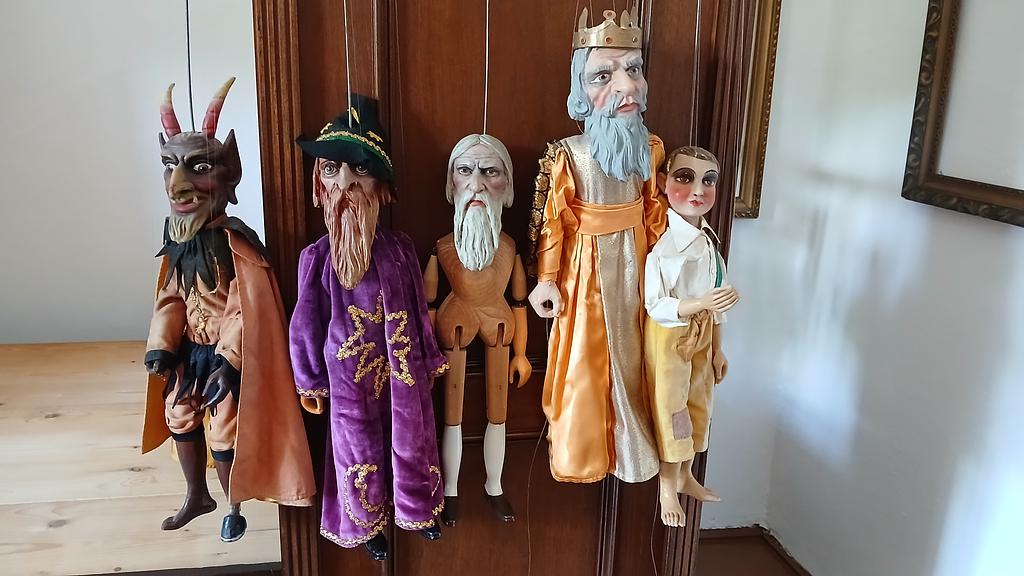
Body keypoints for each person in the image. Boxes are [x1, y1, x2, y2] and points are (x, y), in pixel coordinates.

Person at [143, 78, 315, 543]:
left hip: (228, 359)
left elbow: (245, 308)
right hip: (191, 354)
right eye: (170, 166)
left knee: (224, 427)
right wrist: (161, 348)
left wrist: (228, 360)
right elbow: (171, 299)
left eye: (197, 167)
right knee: (179, 413)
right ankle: (195, 495)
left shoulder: (237, 246)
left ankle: (233, 505)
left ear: (227, 174)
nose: (179, 183)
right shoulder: (180, 246)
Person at [291, 95, 448, 561]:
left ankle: (416, 509)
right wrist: (309, 382)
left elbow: (418, 306)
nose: (346, 185)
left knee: (411, 440)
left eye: (359, 171)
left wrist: (428, 357)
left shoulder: (400, 249)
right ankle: (366, 524)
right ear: (319, 184)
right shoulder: (316, 258)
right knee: (355, 452)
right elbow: (304, 323)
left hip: (402, 370)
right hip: (347, 380)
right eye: (332, 171)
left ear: (381, 185)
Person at [527, 7, 665, 484]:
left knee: (637, 354)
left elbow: (654, 210)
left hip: (639, 264)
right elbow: (554, 221)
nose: (625, 86)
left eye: (634, 69)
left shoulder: (649, 148)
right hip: (585, 267)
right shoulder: (570, 154)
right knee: (585, 361)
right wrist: (547, 278)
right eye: (604, 76)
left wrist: (665, 268)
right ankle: (585, 450)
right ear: (581, 89)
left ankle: (636, 450)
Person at [424, 134, 531, 525]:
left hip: (500, 325)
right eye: (465, 171)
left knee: (498, 411)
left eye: (490, 172)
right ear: (451, 185)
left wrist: (522, 354)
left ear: (508, 186)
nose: (476, 184)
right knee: (452, 412)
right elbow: (428, 302)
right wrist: (426, 355)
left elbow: (520, 302)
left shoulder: (509, 249)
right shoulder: (442, 248)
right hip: (455, 324)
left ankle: (494, 485)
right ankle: (450, 489)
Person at [643, 146, 739, 527]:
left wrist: (718, 349)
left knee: (700, 402)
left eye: (708, 181)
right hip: (672, 337)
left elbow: (720, 297)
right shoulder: (665, 250)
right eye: (685, 178)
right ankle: (667, 484)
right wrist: (698, 303)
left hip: (703, 334)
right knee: (674, 410)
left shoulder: (709, 243)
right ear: (664, 183)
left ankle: (686, 473)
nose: (698, 190)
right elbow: (656, 304)